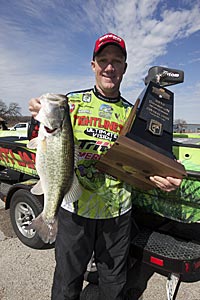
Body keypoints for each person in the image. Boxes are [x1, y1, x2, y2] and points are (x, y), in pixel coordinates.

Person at [29, 33, 182, 300]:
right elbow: (44, 141)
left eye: (116, 61)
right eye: (103, 60)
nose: (109, 67)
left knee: (113, 284)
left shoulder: (135, 114)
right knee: (67, 282)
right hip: (74, 211)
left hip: (117, 215)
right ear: (93, 65)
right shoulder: (70, 104)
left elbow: (151, 155)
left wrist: (166, 172)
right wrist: (38, 113)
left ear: (124, 67)